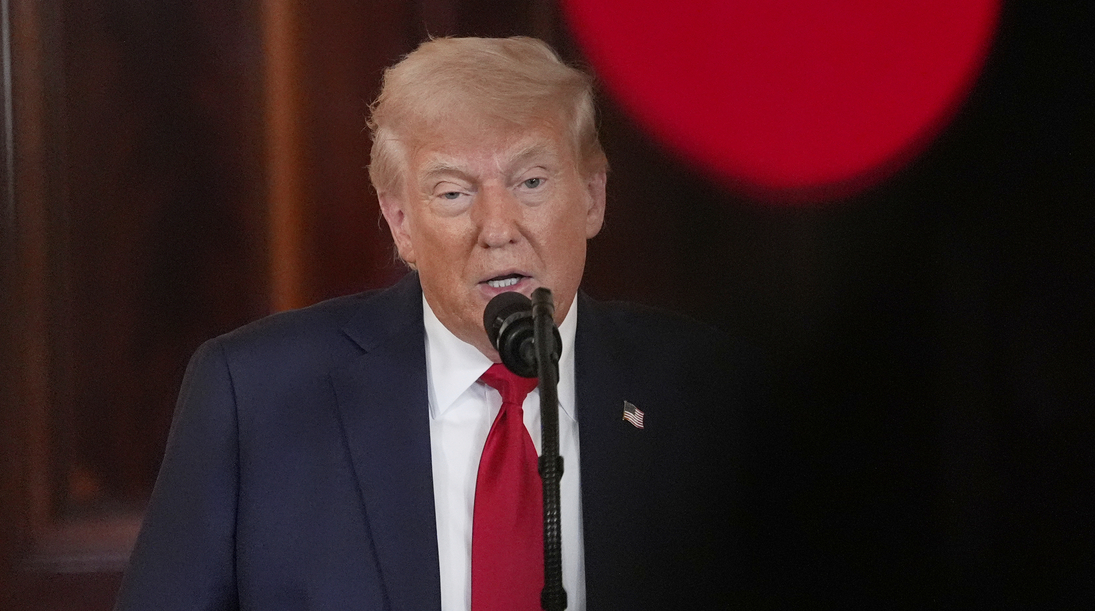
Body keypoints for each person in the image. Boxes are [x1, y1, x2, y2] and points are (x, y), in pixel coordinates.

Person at [115, 36, 762, 611]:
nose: (498, 229)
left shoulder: (709, 393)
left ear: (592, 197)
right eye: (454, 192)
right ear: (401, 222)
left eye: (531, 182)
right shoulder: (255, 396)